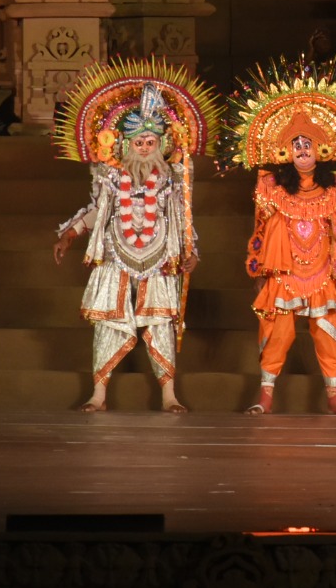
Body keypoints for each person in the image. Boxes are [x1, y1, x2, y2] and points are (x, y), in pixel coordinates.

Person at [220, 58, 336, 415]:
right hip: (284, 272)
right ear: (286, 150)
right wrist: (260, 271)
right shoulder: (271, 186)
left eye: (308, 145)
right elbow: (261, 230)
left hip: (325, 270)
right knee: (278, 334)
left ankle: (334, 397)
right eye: (296, 145)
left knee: (327, 334)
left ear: (321, 149)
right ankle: (265, 396)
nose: (302, 151)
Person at [51, 66, 221, 413]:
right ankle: (98, 395)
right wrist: (70, 234)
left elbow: (182, 218)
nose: (145, 148)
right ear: (126, 144)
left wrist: (192, 252)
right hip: (116, 256)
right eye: (139, 142)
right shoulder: (111, 176)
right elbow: (97, 211)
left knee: (160, 323)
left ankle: (169, 396)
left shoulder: (172, 180)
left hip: (159, 258)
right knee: (108, 321)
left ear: (162, 144)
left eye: (151, 142)